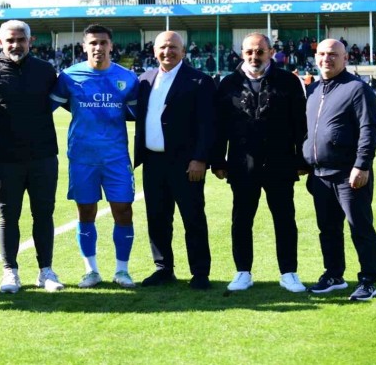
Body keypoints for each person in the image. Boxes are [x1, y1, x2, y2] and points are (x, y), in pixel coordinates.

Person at [0, 20, 64, 294]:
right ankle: (10, 271)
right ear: (0, 42)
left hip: (44, 157)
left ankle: (46, 271)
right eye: (10, 40)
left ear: (30, 41)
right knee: (8, 217)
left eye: (21, 40)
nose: (15, 45)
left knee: (43, 214)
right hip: (5, 162)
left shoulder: (46, 71)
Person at [211, 33, 308, 293]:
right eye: (249, 52)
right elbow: (219, 126)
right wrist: (218, 160)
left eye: (260, 51)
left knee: (285, 219)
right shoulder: (228, 83)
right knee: (241, 220)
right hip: (242, 165)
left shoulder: (288, 81)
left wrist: (302, 159)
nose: (255, 56)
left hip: (280, 163)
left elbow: (300, 124)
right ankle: (243, 272)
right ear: (242, 53)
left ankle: (289, 272)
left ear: (271, 52)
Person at [50, 24, 139, 289]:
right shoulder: (69, 76)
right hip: (82, 157)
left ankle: (122, 271)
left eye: (103, 42)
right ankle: (91, 271)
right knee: (86, 212)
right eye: (93, 43)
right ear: (84, 46)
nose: (98, 47)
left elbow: (137, 114)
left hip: (116, 157)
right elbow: (46, 108)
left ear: (111, 45)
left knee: (123, 211)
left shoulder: (128, 78)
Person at [133, 31, 215, 290]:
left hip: (186, 163)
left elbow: (208, 124)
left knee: (193, 218)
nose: (167, 52)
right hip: (152, 161)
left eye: (173, 47)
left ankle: (200, 272)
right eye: (163, 47)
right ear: (154, 51)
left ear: (183, 51)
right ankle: (163, 268)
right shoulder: (144, 80)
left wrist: (200, 158)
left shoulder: (200, 81)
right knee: (157, 218)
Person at [303, 39, 376, 301]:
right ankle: (334, 275)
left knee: (359, 227)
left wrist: (362, 165)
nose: (327, 58)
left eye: (333, 54)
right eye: (322, 54)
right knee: (328, 229)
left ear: (345, 58)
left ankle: (369, 280)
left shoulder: (357, 89)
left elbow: (369, 129)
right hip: (319, 174)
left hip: (349, 173)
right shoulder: (313, 89)